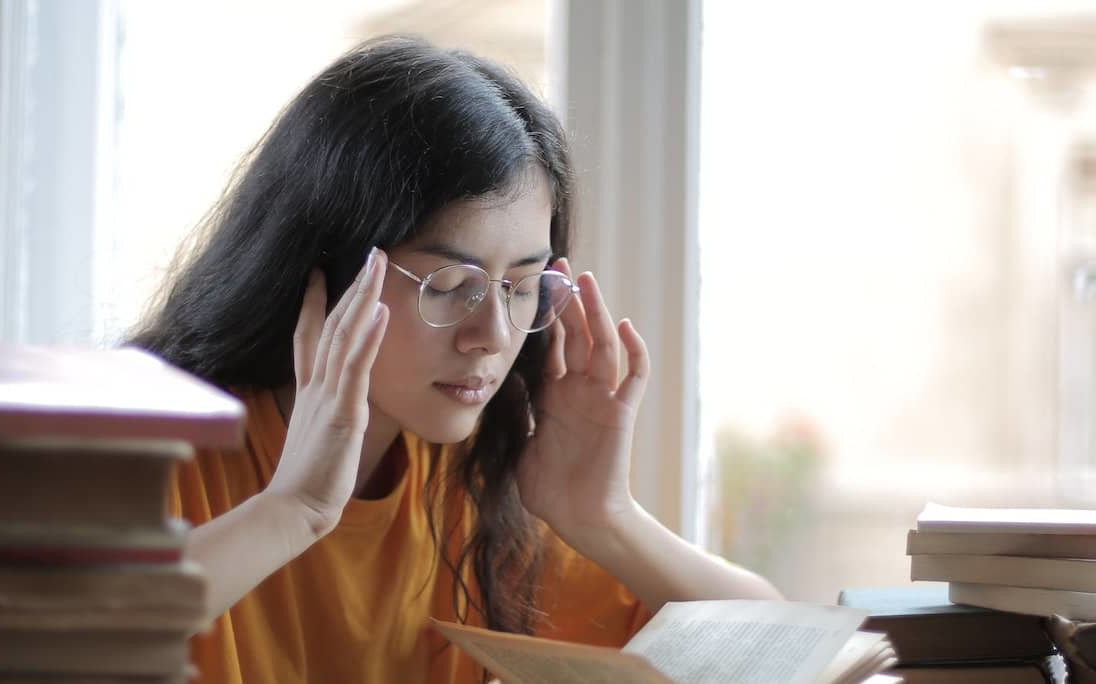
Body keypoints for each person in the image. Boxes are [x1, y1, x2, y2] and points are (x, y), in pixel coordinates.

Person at [130, 34, 781, 684]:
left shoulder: (463, 478)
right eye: (447, 286)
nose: (493, 335)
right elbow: (43, 652)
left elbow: (778, 654)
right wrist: (293, 509)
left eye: (522, 288)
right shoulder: (156, 451)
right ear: (321, 268)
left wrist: (601, 516)